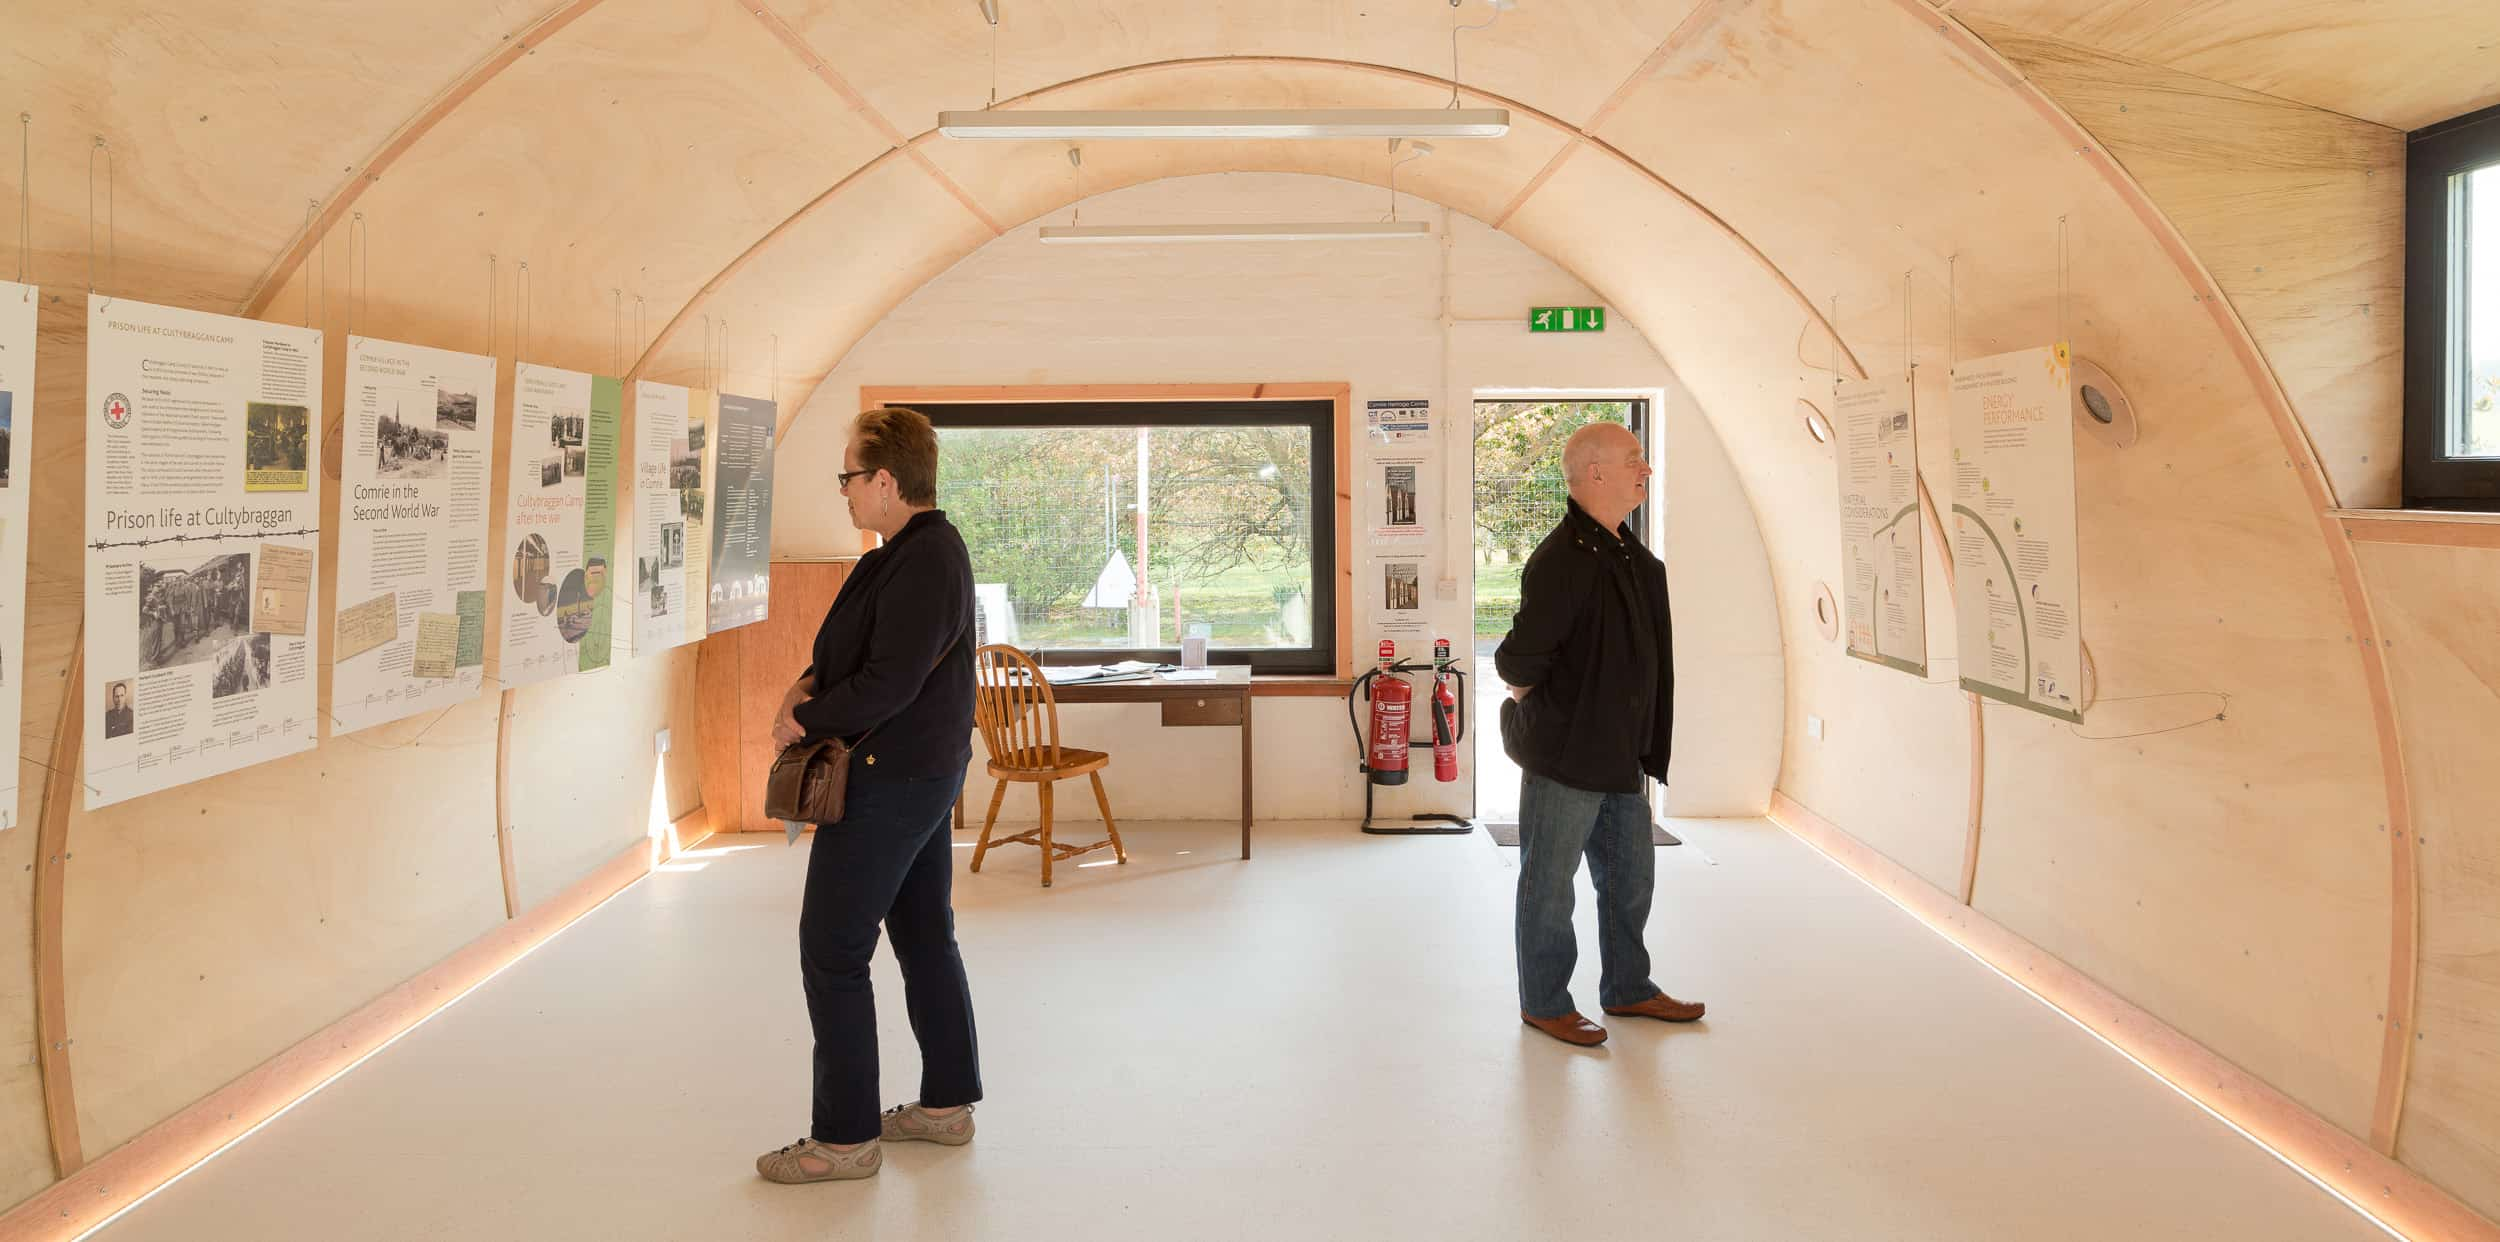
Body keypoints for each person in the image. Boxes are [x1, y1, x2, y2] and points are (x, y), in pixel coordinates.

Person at [755, 405, 982, 1184]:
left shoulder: (927, 559)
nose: (844, 491)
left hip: (893, 781)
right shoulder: (897, 555)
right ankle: (946, 1107)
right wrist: (803, 687)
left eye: (849, 477)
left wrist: (802, 720)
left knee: (833, 951)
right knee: (924, 939)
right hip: (917, 773)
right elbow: (842, 652)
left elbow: (888, 682)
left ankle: (845, 1140)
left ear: (886, 481)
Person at [1495, 422, 1705, 1047]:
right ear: (1595, 474)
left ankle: (1628, 988)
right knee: (1548, 884)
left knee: (1629, 879)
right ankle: (1545, 1001)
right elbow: (1517, 661)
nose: (1647, 469)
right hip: (1567, 757)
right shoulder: (1562, 559)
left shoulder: (1629, 557)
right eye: (1634, 459)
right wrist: (1534, 698)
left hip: (1621, 755)